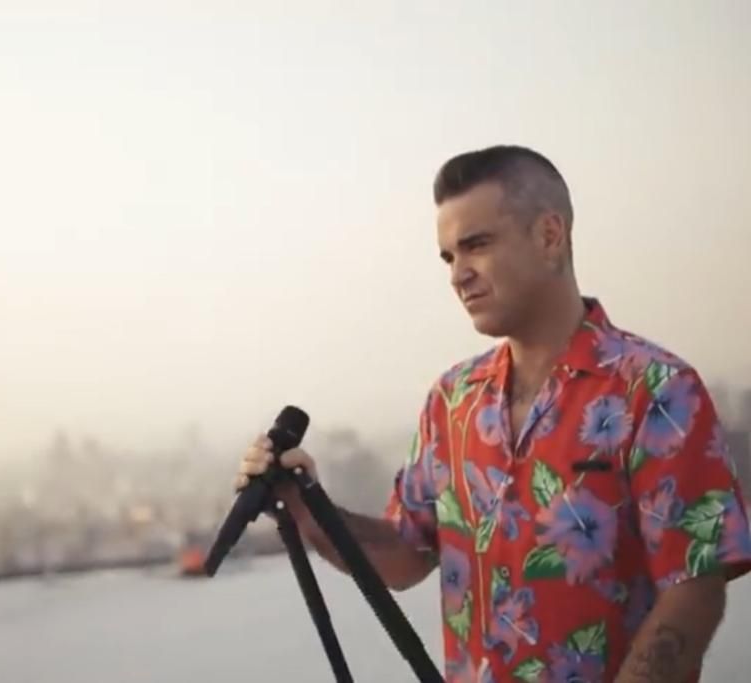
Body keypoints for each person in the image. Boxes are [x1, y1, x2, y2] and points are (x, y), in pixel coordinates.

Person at [233, 145, 751, 682]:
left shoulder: (657, 389)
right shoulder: (451, 400)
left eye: (476, 245)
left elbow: (695, 587)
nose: (458, 275)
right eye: (448, 258)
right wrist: (305, 505)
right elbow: (405, 553)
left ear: (549, 236)